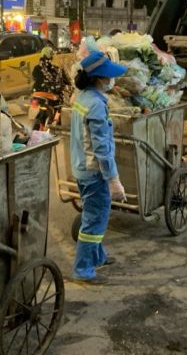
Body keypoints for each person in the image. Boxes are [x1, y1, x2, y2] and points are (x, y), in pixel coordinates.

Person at [69, 50, 128, 284]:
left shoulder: (82, 98)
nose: (111, 80)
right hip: (94, 172)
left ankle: (98, 256)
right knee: (94, 220)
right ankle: (83, 269)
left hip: (82, 167)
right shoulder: (95, 105)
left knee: (94, 216)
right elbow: (101, 147)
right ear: (99, 79)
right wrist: (113, 179)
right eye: (109, 76)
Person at [31, 46, 72, 128]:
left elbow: (35, 78)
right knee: (58, 108)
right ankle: (55, 125)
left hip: (39, 95)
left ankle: (39, 128)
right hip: (51, 97)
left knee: (43, 112)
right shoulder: (57, 70)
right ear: (51, 57)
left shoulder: (37, 68)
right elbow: (67, 83)